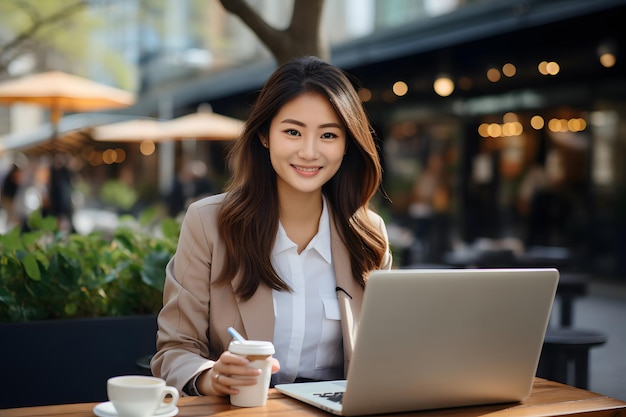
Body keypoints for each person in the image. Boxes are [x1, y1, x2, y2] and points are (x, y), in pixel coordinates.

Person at [151, 55, 393, 397]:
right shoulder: (208, 224)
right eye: (293, 132)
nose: (309, 152)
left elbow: (384, 355)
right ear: (264, 135)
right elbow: (174, 350)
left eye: (328, 135)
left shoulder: (369, 234)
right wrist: (212, 376)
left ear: (346, 144)